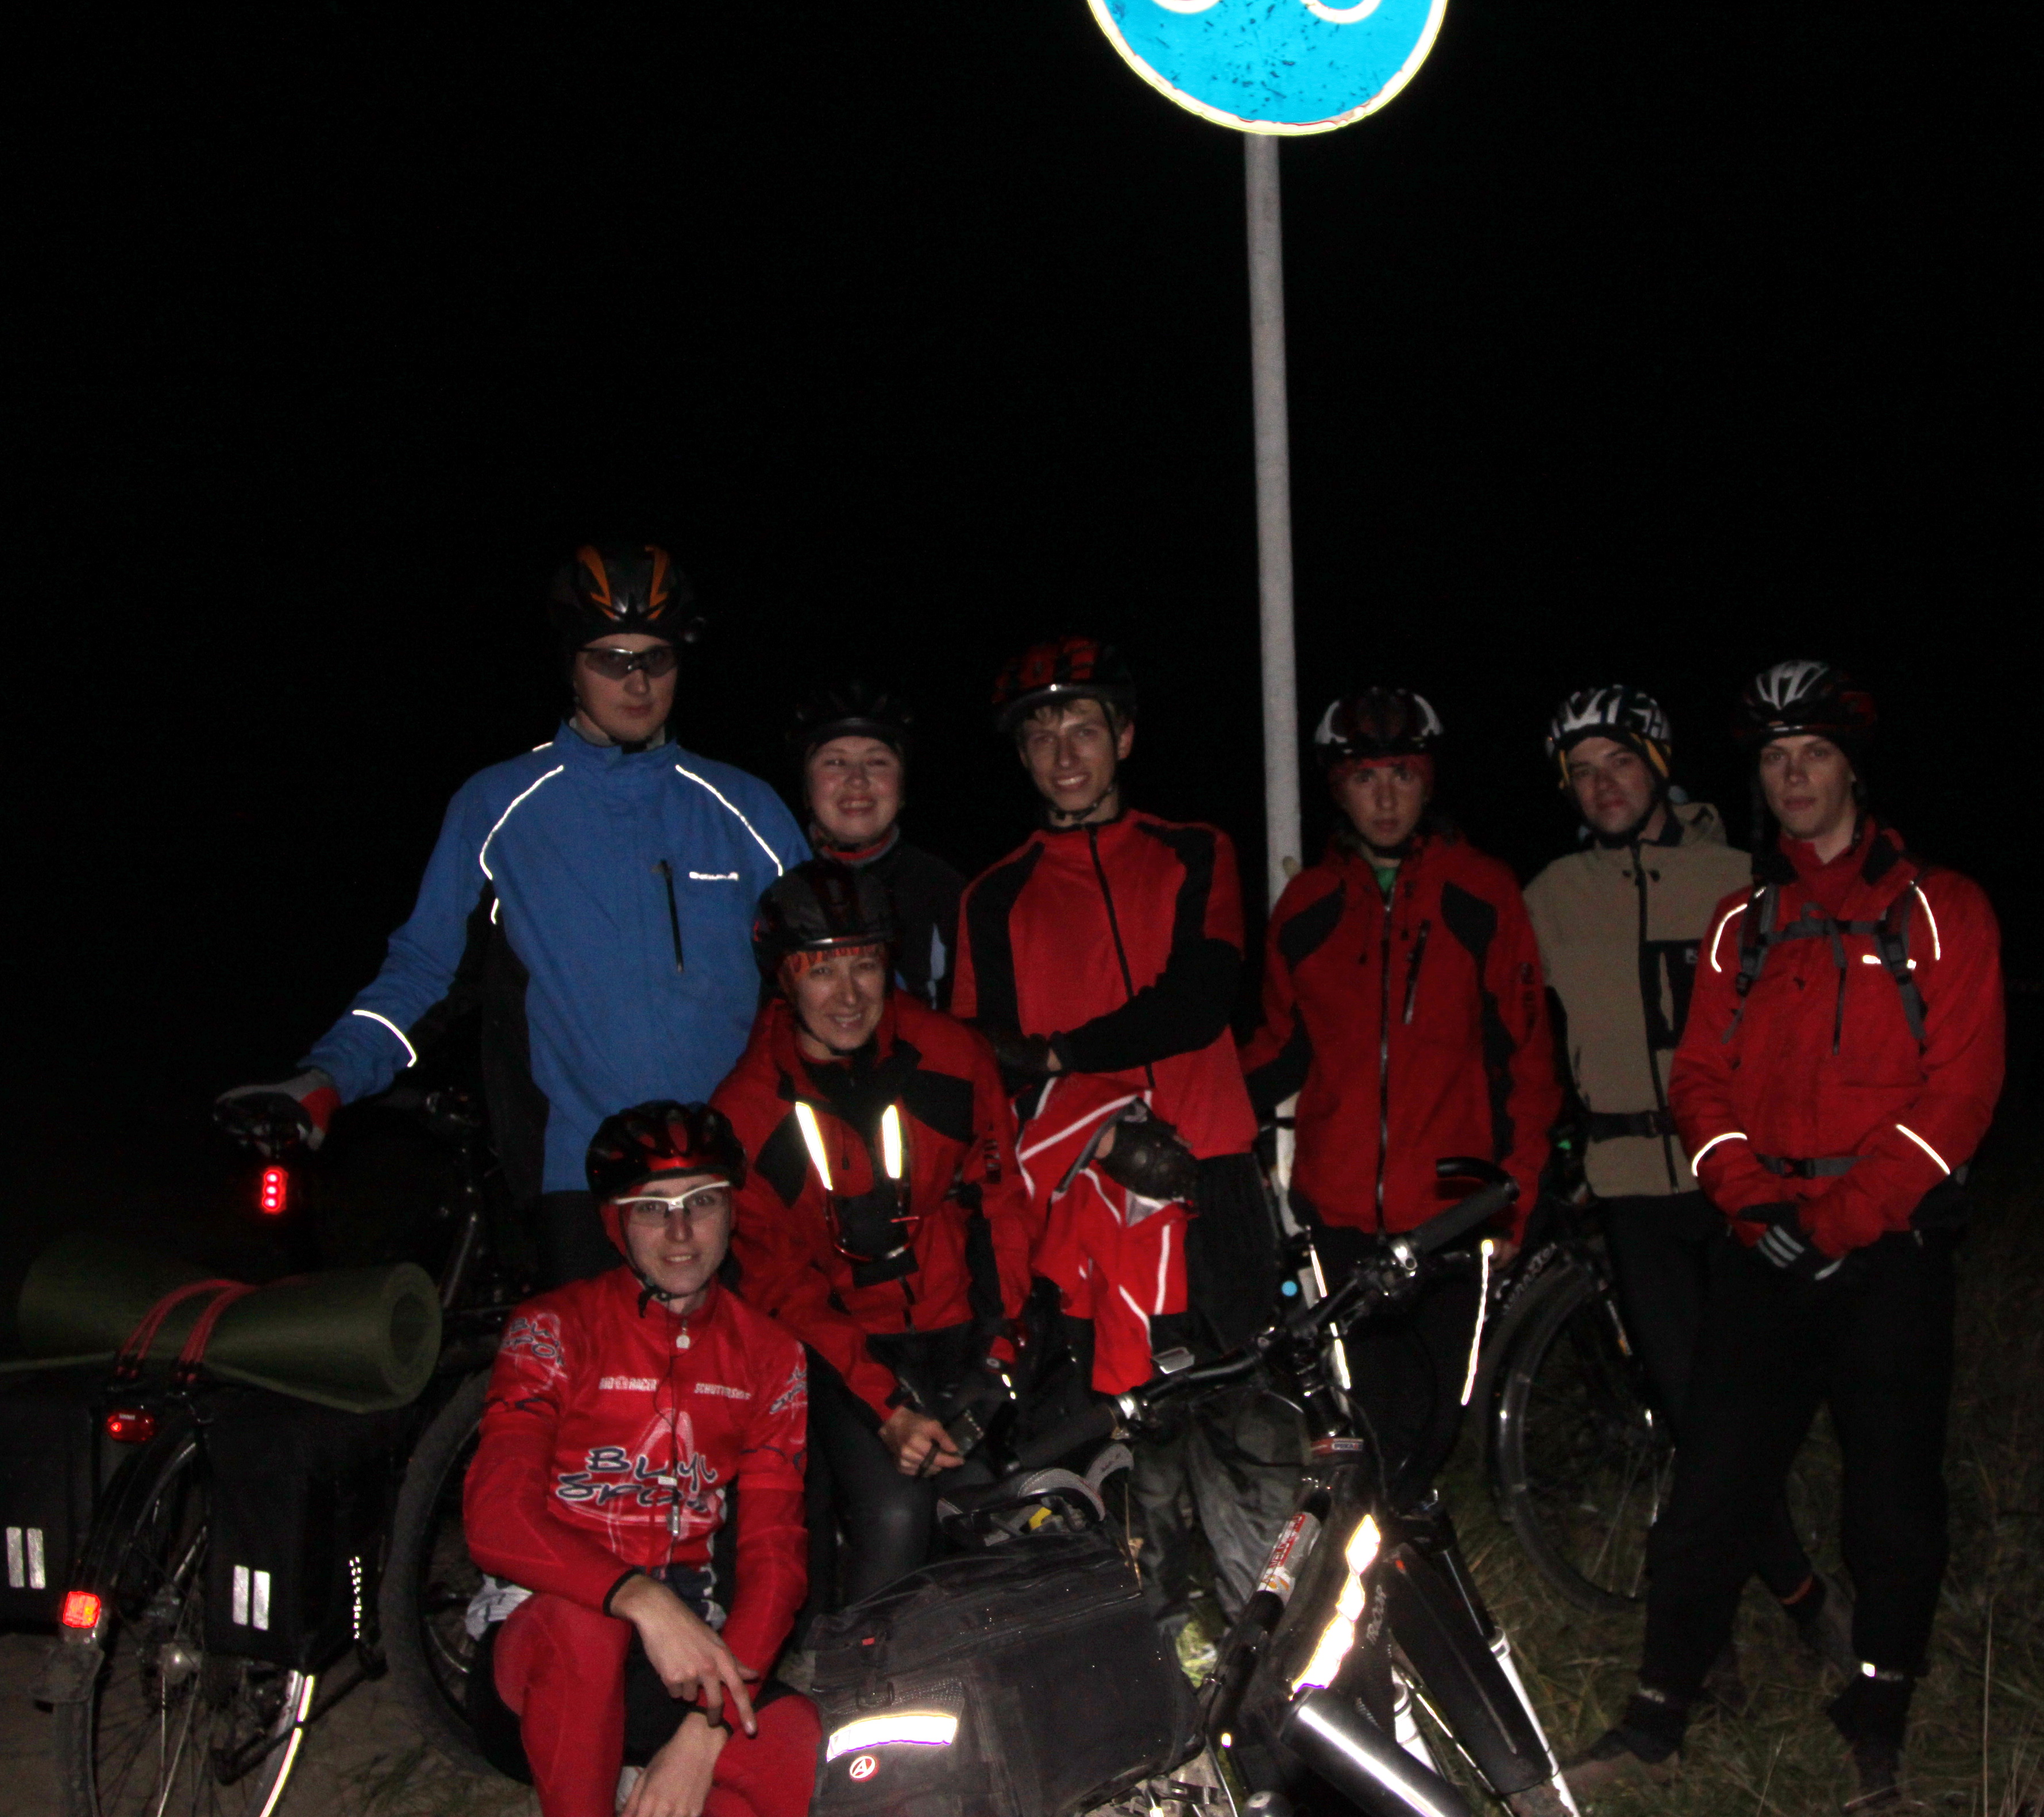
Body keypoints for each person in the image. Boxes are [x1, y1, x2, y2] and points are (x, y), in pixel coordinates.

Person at [1565, 662, 2004, 1810]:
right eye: (1772, 757)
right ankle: (1657, 1714)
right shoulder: (1744, 921)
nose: (1792, 775)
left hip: (1889, 1251)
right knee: (1710, 1488)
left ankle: (1877, 1717)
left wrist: (1843, 1219)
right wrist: (1750, 1202)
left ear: (1851, 766)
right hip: (1763, 1245)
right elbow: (1699, 1080)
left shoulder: (1942, 909)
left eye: (1812, 752)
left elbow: (1960, 1094)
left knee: (1892, 1500)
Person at [217, 545, 806, 1285]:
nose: (637, 682)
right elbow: (425, 974)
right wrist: (329, 1074)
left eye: (656, 659)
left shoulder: (745, 809)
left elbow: (832, 978)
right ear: (569, 665)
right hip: (583, 1174)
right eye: (611, 659)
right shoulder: (499, 808)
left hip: (738, 1167)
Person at [951, 633, 1287, 1643]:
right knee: (1125, 1442)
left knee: (1245, 1424)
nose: (1064, 752)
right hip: (1085, 1198)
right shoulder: (993, 896)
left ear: (1124, 738)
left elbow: (1198, 999)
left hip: (1210, 1172)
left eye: (1084, 727)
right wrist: (1089, 1128)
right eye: (1040, 733)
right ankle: (1156, 1658)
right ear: (1021, 755)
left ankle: (1274, 1651)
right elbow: (985, 1067)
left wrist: (1061, 1053)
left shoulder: (1195, 851)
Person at [1524, 686, 1849, 1669]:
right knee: (1692, 1411)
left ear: (1658, 765)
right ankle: (1796, 1600)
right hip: (1629, 1189)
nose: (1601, 787)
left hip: (1736, 1183)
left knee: (1737, 1415)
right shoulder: (1549, 896)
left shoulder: (1740, 877)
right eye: (1582, 774)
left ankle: (1742, 1616)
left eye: (1619, 762)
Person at [1240, 687, 1559, 1507]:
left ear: (1428, 783)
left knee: (1436, 1419)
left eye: (1402, 776)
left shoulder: (1481, 892)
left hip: (1453, 1210)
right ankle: (1378, 1566)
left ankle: (1397, 1550)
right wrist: (1188, 1103)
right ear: (1337, 789)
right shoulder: (1307, 906)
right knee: (1370, 1423)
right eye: (1364, 778)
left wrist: (1515, 1199)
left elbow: (1526, 1058)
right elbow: (1276, 1049)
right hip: (1341, 1214)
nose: (1385, 798)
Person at [462, 1100, 817, 1817]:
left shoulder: (771, 1354)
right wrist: (640, 1599)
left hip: (682, 1661)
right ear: (614, 1223)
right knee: (586, 1629)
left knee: (795, 1742)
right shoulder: (552, 1328)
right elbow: (496, 1517)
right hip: (542, 1648)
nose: (681, 1233)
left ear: (732, 1211)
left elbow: (776, 1557)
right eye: (653, 1209)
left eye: (702, 1202)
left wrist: (709, 1728)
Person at [712, 860, 1036, 1614]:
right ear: (783, 979)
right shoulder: (747, 1111)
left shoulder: (951, 1057)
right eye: (821, 970)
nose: (849, 994)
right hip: (847, 1354)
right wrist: (885, 1405)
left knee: (1001, 1516)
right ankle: (858, 1680)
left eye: (863, 964)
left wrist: (998, 1350)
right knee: (897, 1518)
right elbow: (781, 1287)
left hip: (961, 1330)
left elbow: (1001, 1206)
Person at [789, 680, 965, 1008]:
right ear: (807, 787)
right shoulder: (772, 876)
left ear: (902, 788)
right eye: (835, 762)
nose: (857, 780)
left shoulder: (943, 890)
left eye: (877, 762)